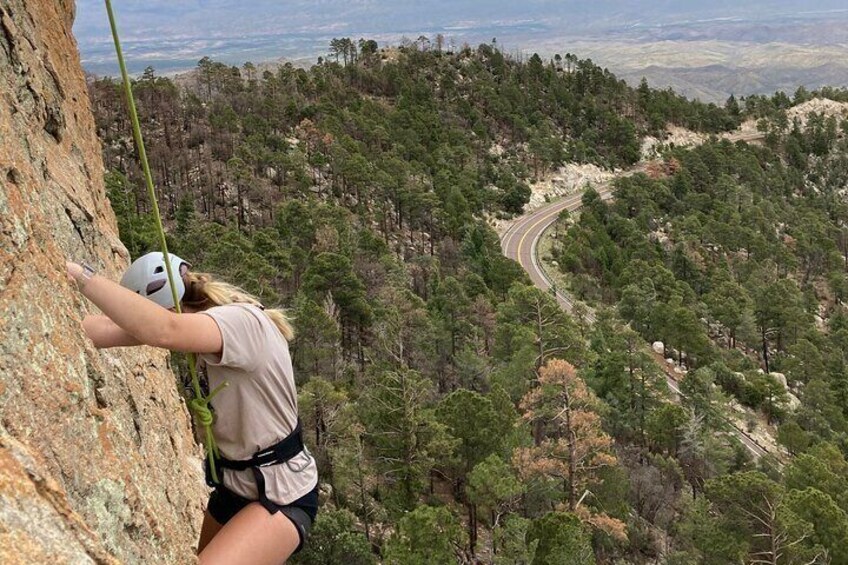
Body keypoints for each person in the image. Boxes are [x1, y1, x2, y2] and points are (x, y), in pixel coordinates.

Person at [67, 252, 318, 565]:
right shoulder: (204, 325)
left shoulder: (243, 323)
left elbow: (163, 329)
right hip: (235, 486)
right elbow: (107, 329)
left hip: (283, 492)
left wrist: (80, 276)